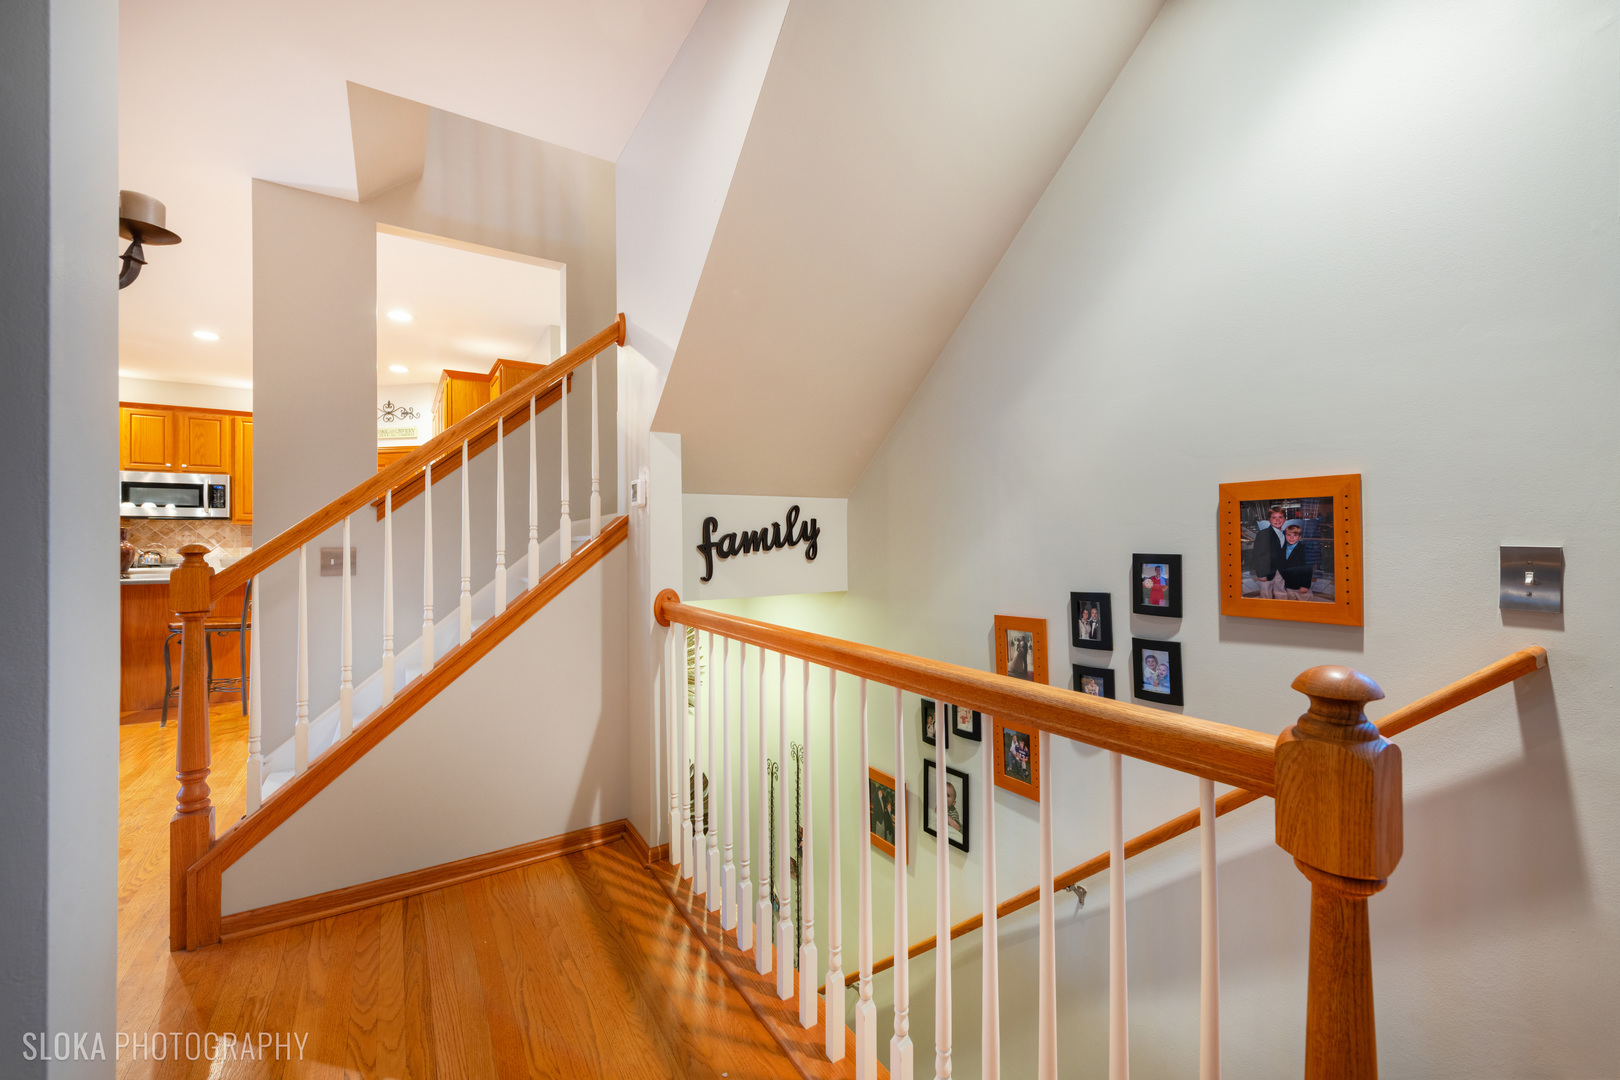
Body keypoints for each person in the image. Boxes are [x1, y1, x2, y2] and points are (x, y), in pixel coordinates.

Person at [1250, 506, 1289, 599]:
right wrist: (1261, 574)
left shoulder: (1285, 534)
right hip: (1266, 572)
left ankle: (1281, 611)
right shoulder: (1263, 534)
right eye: (1274, 517)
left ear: (1285, 519)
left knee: (1281, 593)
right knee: (1266, 595)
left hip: (1280, 571)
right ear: (1269, 520)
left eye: (1280, 517)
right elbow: (1258, 555)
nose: (1277, 520)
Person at [1278, 522, 1315, 600]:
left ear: (1300, 536)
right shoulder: (1282, 548)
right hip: (1288, 585)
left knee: (1306, 607)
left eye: (1295, 535)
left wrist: (1305, 585)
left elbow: (1308, 570)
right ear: (1285, 535)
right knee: (1292, 607)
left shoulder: (1305, 550)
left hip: (1301, 586)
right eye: (1289, 535)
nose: (1291, 538)